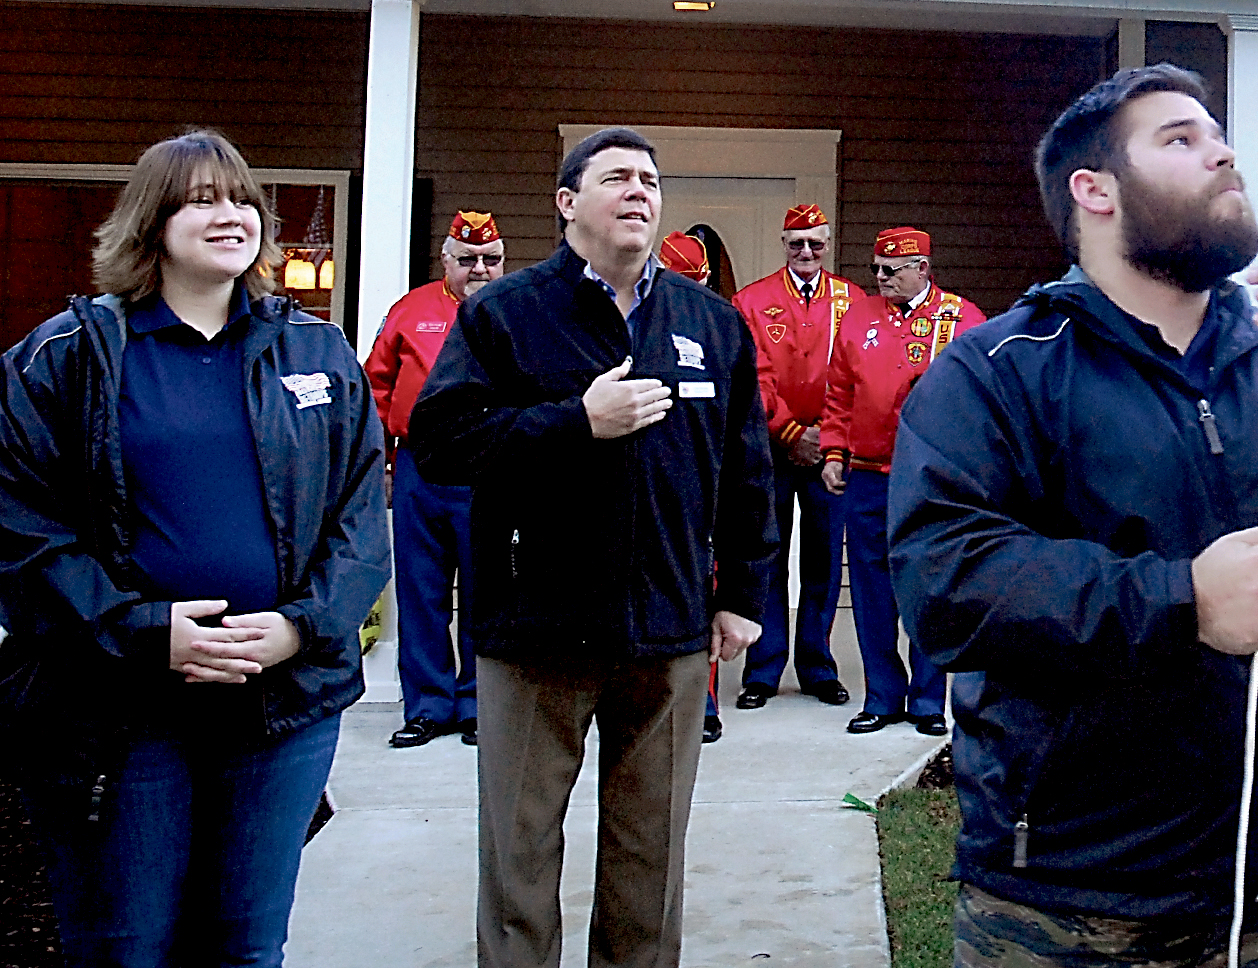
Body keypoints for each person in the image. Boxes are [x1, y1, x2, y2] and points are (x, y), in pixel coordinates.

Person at [888, 65, 1258, 964]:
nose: (1221, 152)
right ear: (1094, 191)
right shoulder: (1000, 371)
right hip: (1068, 903)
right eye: (1179, 138)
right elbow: (945, 578)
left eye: (1216, 135)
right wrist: (1183, 601)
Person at [0, 129, 391, 968]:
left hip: (281, 706)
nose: (232, 215)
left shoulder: (314, 352)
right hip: (123, 709)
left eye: (242, 198)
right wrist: (145, 631)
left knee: (244, 944)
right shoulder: (66, 360)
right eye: (203, 198)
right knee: (127, 946)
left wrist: (303, 625)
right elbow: (20, 529)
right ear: (151, 220)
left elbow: (362, 519)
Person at [407, 128, 780, 968]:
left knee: (650, 865)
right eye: (616, 177)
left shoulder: (710, 324)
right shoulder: (505, 313)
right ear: (568, 202)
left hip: (669, 634)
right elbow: (440, 442)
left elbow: (744, 469)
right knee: (520, 861)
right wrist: (576, 422)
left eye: (649, 179)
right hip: (536, 634)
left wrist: (743, 596)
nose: (639, 190)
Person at [820, 226, 984, 736]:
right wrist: (832, 451)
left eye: (892, 271)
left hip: (931, 478)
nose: (881, 279)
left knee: (930, 586)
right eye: (876, 269)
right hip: (868, 476)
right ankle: (882, 696)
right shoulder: (859, 318)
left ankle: (929, 700)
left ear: (923, 270)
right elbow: (839, 393)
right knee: (872, 589)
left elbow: (980, 398)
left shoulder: (961, 319)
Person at [366, 208, 505, 750]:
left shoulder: (518, 311)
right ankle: (427, 706)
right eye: (467, 259)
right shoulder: (410, 309)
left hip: (490, 466)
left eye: (490, 259)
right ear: (446, 260)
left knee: (483, 591)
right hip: (419, 467)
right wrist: (376, 461)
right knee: (420, 591)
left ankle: (476, 705)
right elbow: (374, 387)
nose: (479, 270)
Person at [727, 203, 855, 711]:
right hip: (771, 448)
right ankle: (763, 668)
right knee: (768, 557)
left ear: (827, 244)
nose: (806, 252)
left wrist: (827, 438)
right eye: (797, 243)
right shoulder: (752, 301)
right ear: (783, 243)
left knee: (823, 559)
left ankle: (818, 665)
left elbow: (850, 377)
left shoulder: (852, 301)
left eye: (816, 243)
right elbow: (753, 376)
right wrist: (791, 432)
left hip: (828, 452)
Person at [654, 230, 734, 747]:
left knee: (702, 595)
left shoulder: (719, 330)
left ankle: (703, 701)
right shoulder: (636, 327)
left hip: (703, 489)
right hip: (652, 485)